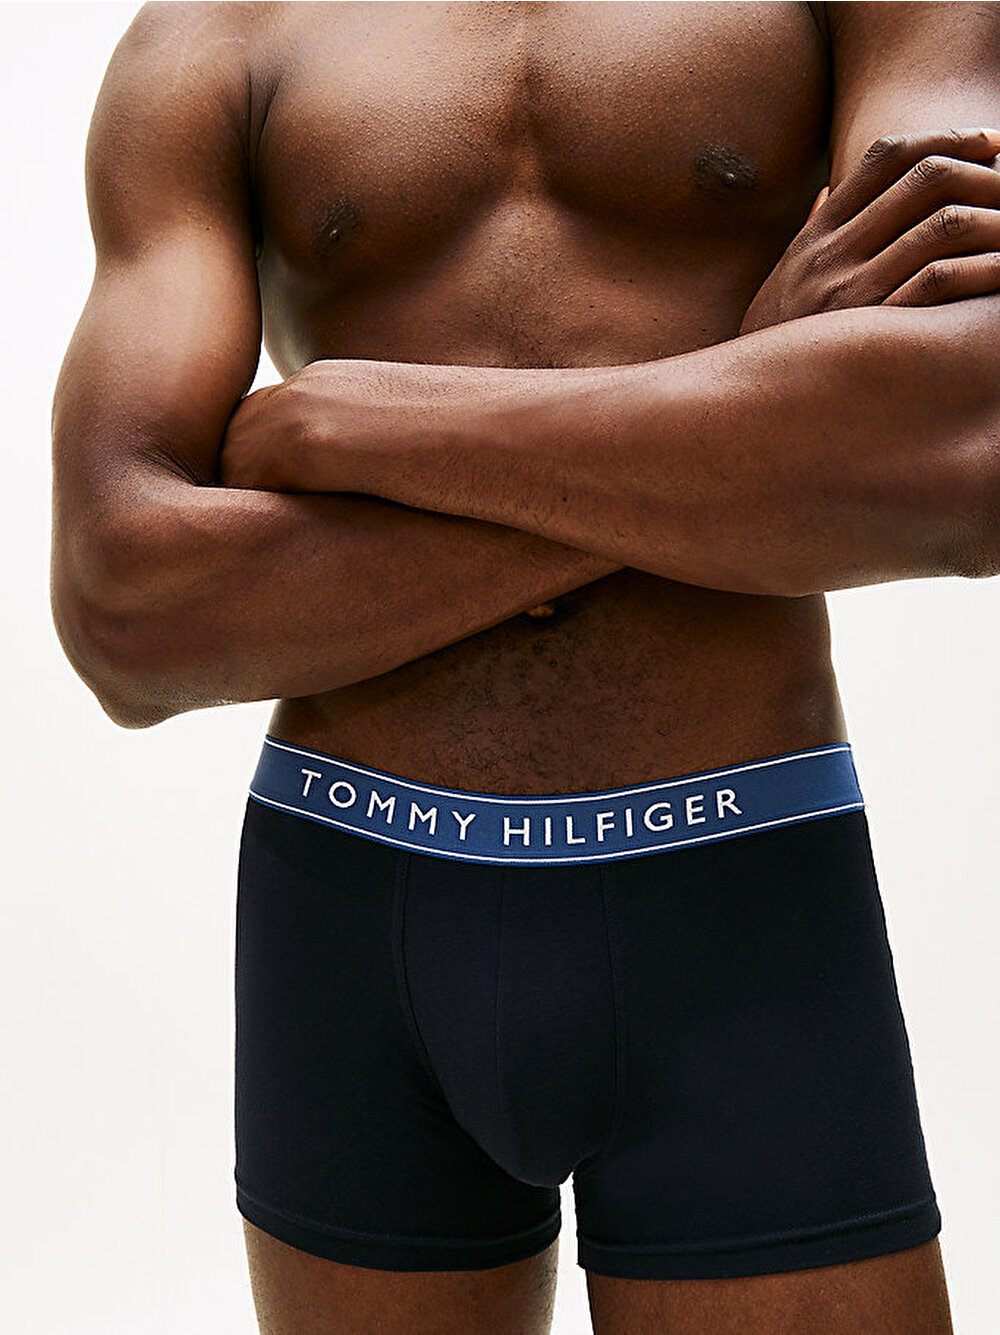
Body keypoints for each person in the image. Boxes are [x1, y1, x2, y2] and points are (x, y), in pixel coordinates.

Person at [51, 2, 1000, 1331]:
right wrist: (749, 391)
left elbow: (964, 451)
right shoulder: (214, 42)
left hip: (737, 888)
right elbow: (127, 607)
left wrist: (357, 425)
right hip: (357, 900)